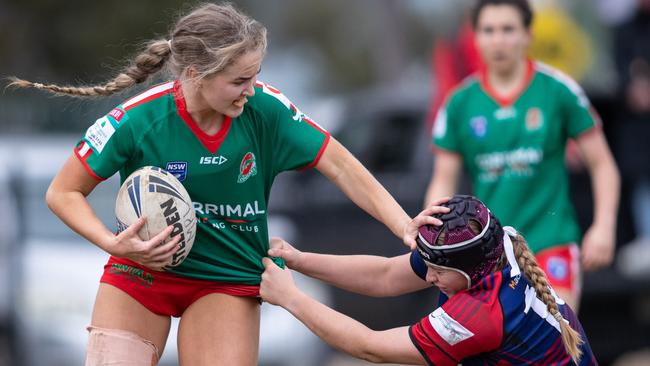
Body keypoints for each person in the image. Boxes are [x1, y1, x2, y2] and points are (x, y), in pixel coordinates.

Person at [8, 3, 437, 365]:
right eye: (238, 81)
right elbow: (62, 192)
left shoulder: (267, 111)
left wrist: (402, 226)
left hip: (226, 278)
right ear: (195, 74)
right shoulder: (139, 119)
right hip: (140, 273)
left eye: (255, 75)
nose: (251, 90)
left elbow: (342, 166)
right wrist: (112, 242)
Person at [423, 0, 620, 311]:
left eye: (508, 30)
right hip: (489, 252)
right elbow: (442, 182)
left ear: (528, 35)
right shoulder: (459, 103)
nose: (498, 40)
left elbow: (602, 165)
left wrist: (604, 227)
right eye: (489, 31)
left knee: (557, 340)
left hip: (551, 241)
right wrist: (434, 241)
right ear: (475, 38)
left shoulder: (558, 90)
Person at [261, 195, 598, 365]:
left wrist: (291, 298)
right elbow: (385, 276)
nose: (428, 274)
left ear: (469, 270)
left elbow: (370, 347)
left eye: (437, 268)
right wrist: (299, 259)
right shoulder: (495, 247)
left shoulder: (480, 314)